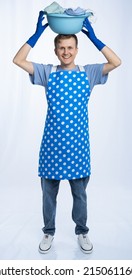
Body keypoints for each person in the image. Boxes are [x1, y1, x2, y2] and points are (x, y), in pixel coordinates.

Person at [13, 11, 121, 254]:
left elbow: (116, 62)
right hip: (51, 148)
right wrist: (36, 34)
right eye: (61, 48)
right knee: (48, 196)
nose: (66, 52)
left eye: (70, 47)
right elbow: (18, 60)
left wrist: (94, 38)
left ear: (76, 49)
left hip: (78, 149)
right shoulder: (47, 72)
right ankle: (48, 232)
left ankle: (82, 231)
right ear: (55, 51)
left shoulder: (89, 73)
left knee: (79, 195)